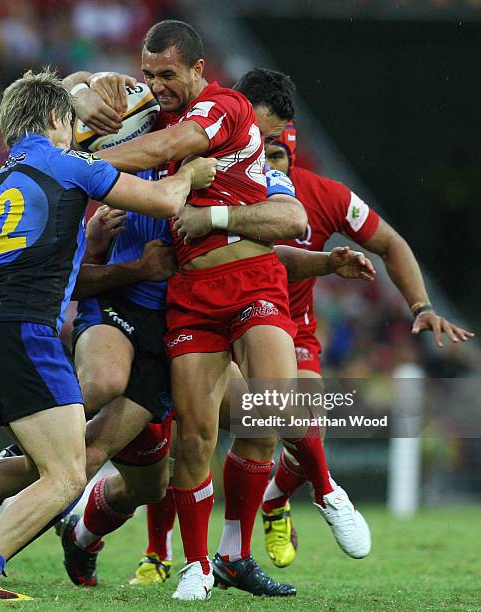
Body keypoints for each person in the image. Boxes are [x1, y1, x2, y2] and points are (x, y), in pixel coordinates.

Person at [0, 68, 217, 600]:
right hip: (28, 335)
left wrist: (89, 238)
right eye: (72, 120)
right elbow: (166, 202)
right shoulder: (66, 163)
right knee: (65, 477)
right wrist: (191, 173)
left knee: (43, 465)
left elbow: (48, 247)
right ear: (60, 119)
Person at [68, 21, 376, 601]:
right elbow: (84, 85)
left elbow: (286, 219)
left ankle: (326, 490)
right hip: (187, 295)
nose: (155, 85)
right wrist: (84, 93)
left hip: (252, 280)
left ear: (198, 71)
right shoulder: (152, 113)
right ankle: (200, 564)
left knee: (275, 409)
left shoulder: (223, 107)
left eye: (167, 75)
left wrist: (79, 161)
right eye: (148, 74)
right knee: (194, 439)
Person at [152, 67, 474, 573]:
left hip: (284, 317)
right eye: (266, 139)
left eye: (278, 144)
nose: (267, 148)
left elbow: (381, 242)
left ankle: (273, 511)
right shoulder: (203, 154)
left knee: (287, 418)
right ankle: (161, 547)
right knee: (195, 433)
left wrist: (420, 306)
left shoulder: (312, 192)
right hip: (206, 304)